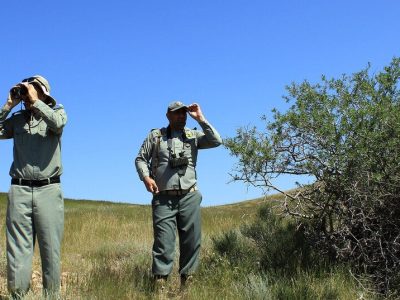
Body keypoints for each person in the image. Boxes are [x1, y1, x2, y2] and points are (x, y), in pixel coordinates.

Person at [135, 101, 222, 291]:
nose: (181, 116)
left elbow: (216, 141)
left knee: (191, 241)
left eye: (183, 113)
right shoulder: (156, 136)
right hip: (163, 197)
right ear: (168, 115)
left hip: (189, 196)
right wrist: (146, 178)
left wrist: (201, 119)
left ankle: (187, 285)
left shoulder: (193, 136)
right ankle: (160, 285)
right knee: (164, 242)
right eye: (177, 113)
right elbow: (141, 158)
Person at [0, 75, 67, 298]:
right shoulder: (17, 120)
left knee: (50, 251)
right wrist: (8, 105)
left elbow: (57, 125)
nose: (27, 93)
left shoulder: (57, 112)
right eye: (26, 89)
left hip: (48, 189)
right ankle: (18, 297)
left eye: (32, 89)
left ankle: (51, 297)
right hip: (19, 189)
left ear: (43, 92)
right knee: (18, 251)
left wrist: (36, 101)